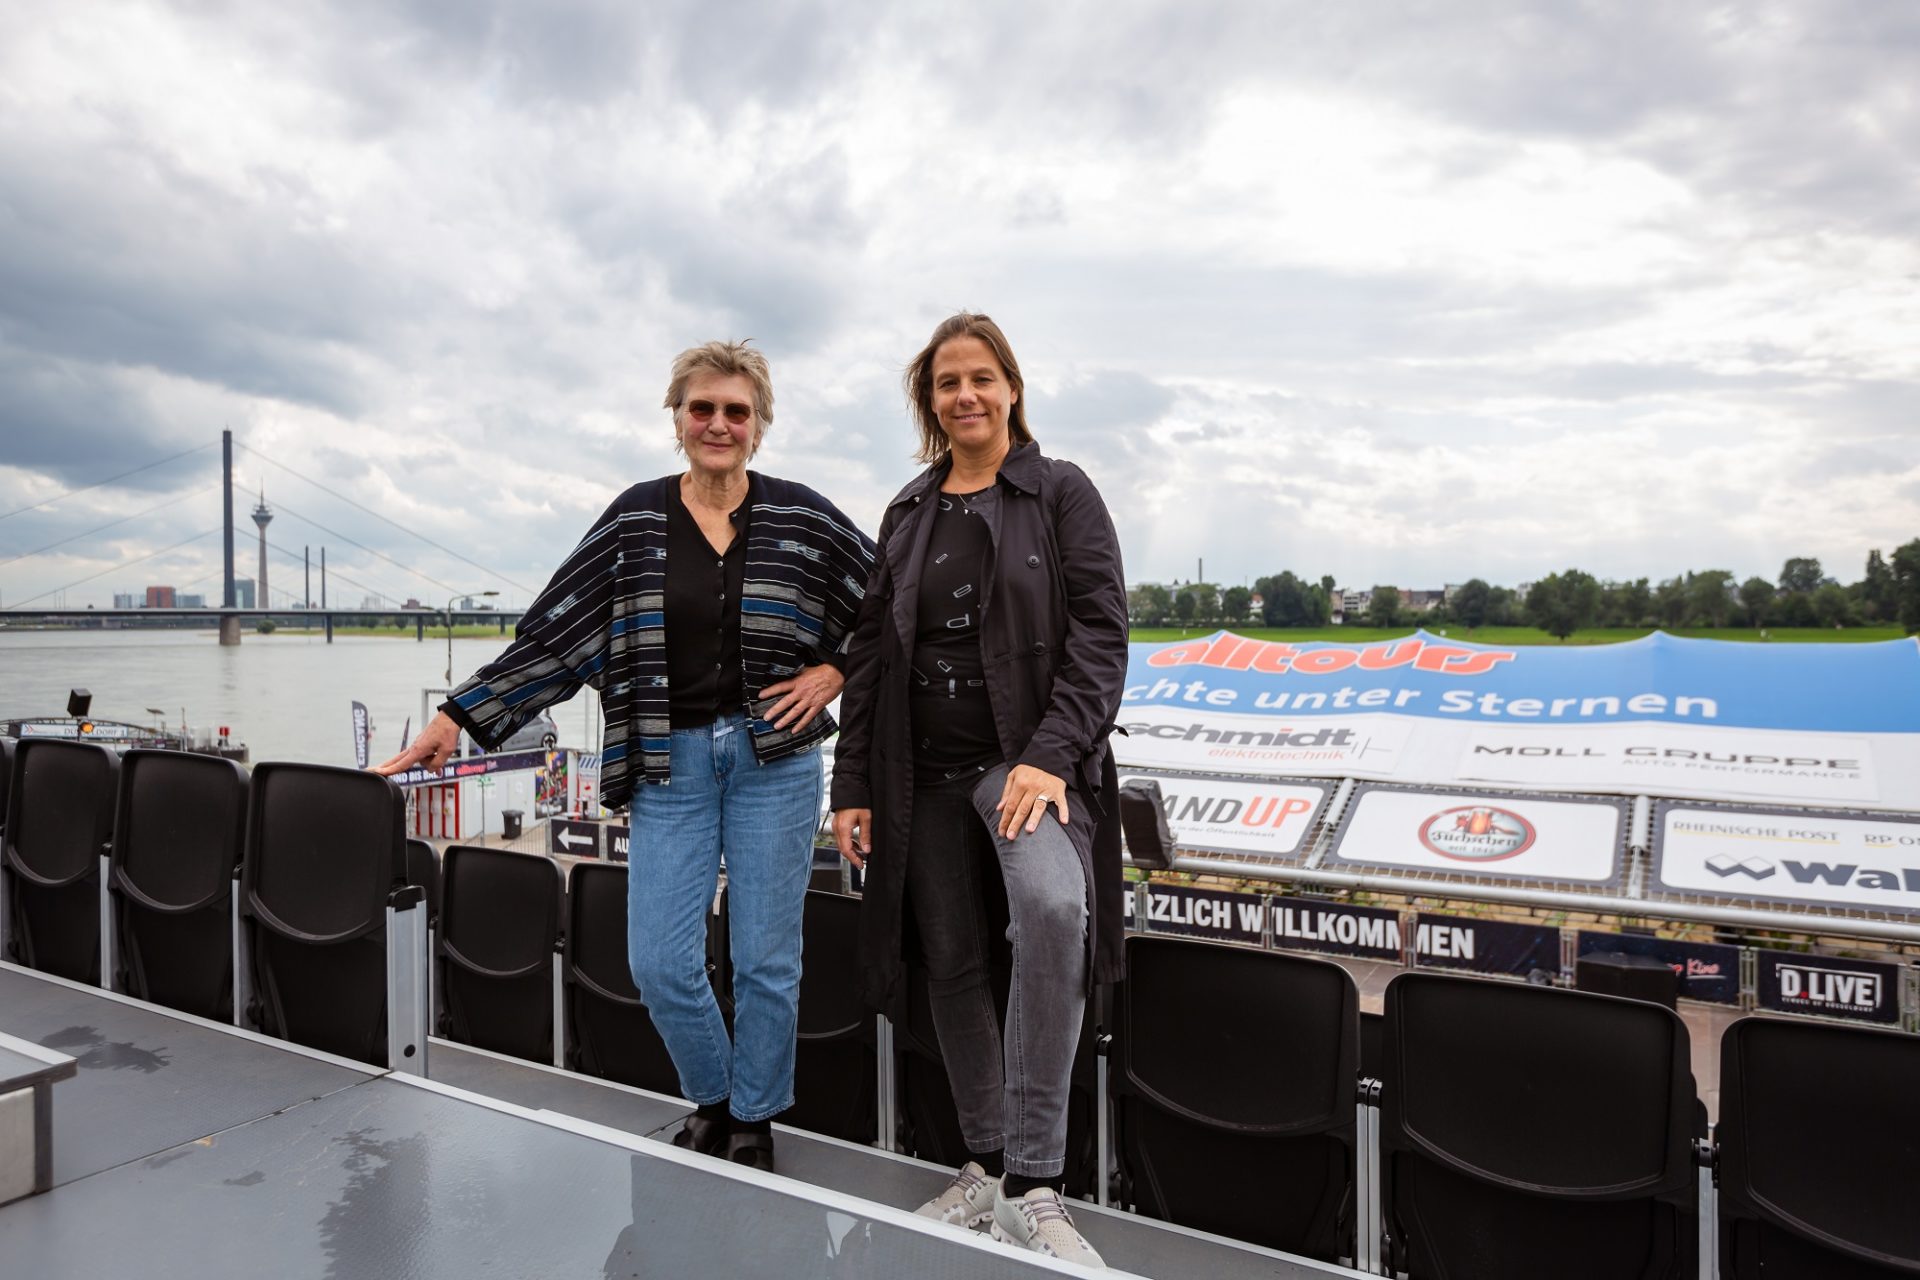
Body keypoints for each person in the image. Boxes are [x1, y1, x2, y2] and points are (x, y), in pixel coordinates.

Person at [377, 340, 874, 1173]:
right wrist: (458, 716)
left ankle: (752, 1119)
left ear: (760, 425)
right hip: (667, 761)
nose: (718, 423)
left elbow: (890, 607)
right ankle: (715, 1094)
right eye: (702, 408)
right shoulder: (636, 518)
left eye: (736, 411)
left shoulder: (804, 517)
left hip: (776, 764)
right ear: (678, 419)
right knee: (659, 960)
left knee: (765, 959)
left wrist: (834, 670)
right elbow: (557, 629)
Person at [830, 313, 1129, 1267]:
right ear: (930, 401)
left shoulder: (1060, 493)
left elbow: (1100, 634)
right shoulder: (910, 512)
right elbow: (872, 652)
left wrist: (1049, 756)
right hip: (919, 769)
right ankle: (985, 1170)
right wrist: (854, 785)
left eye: (981, 378)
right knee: (951, 959)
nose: (965, 395)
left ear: (1011, 389)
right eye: (946, 382)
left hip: (1021, 759)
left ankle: (1038, 1184)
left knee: (1050, 910)